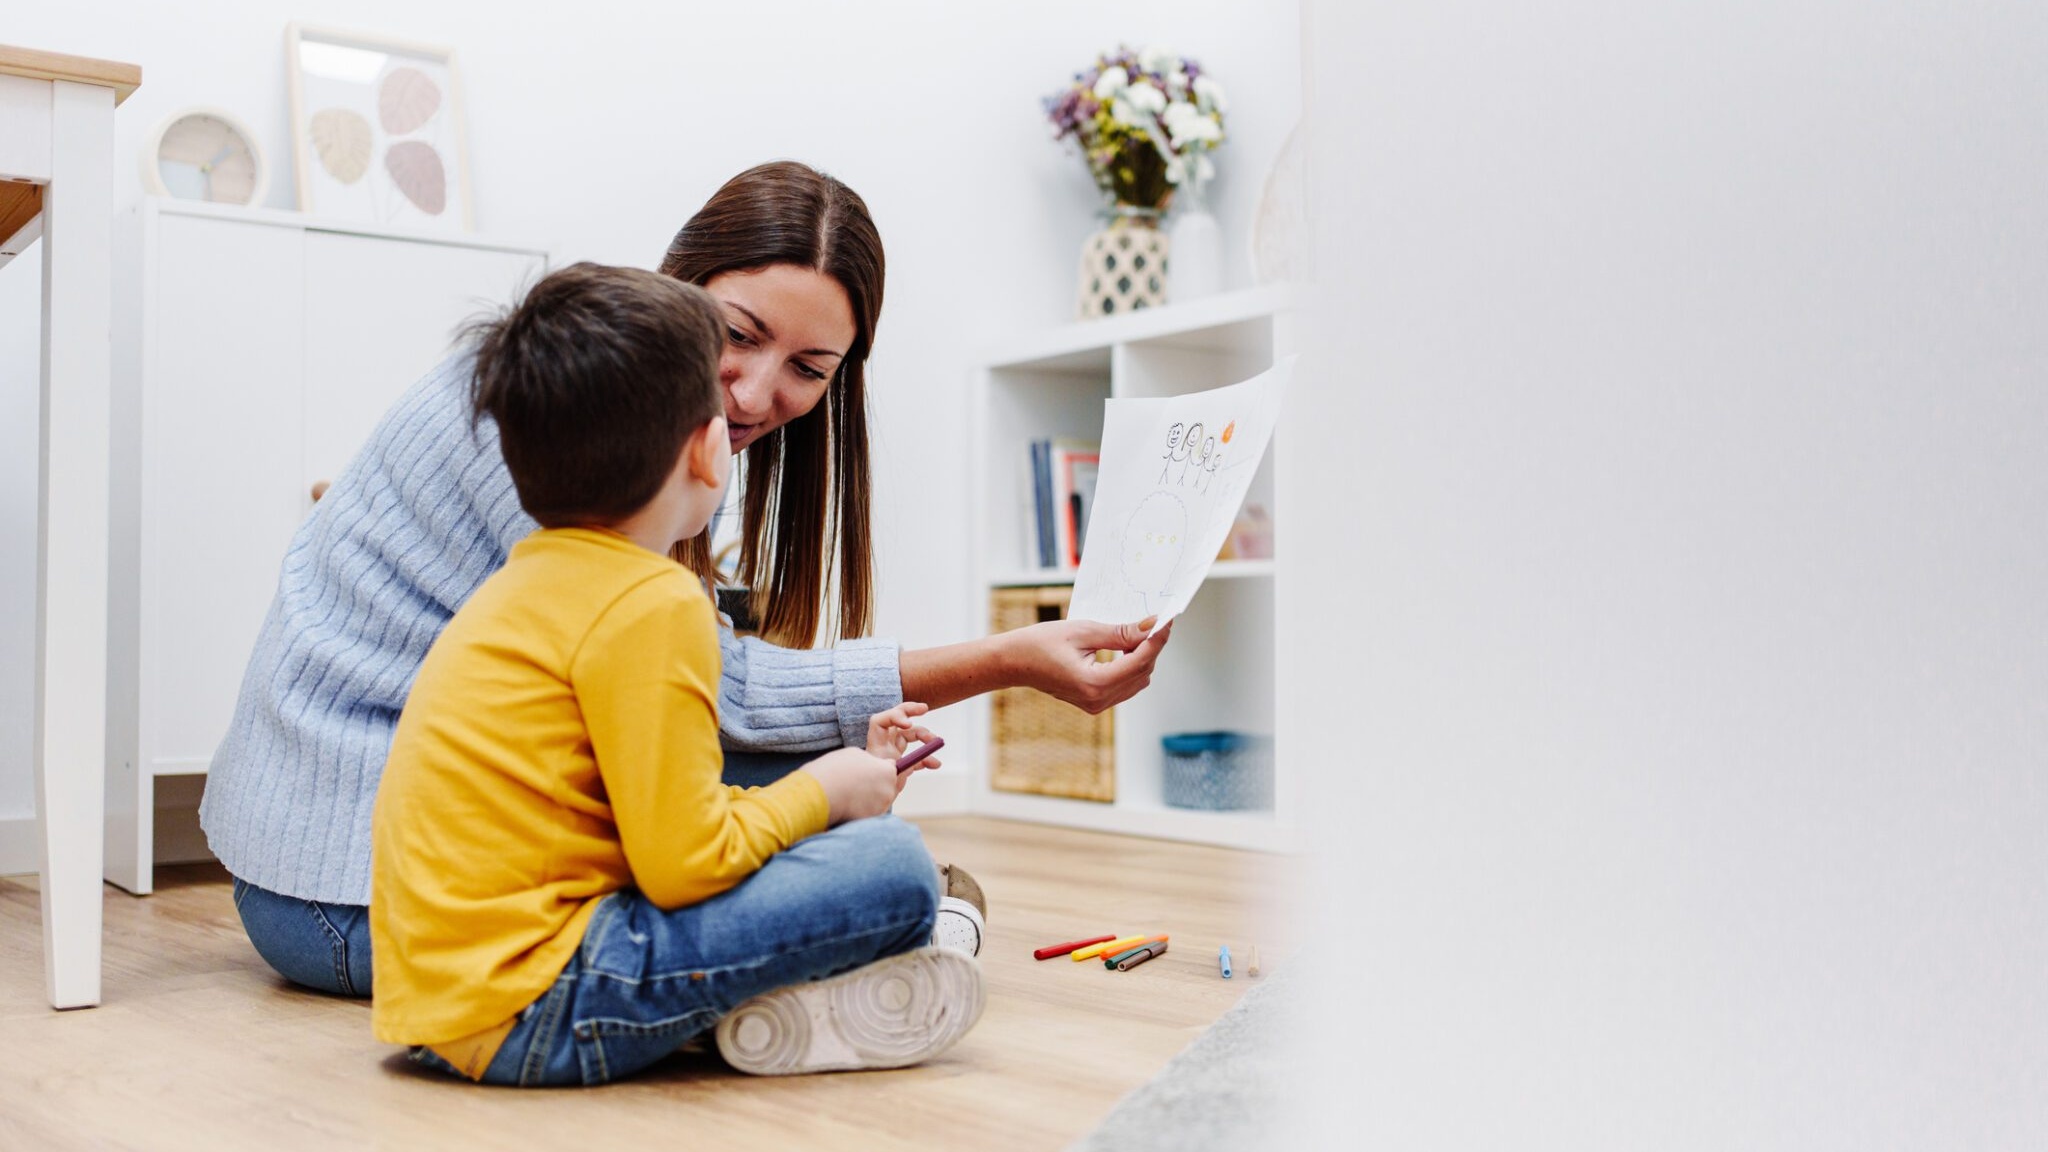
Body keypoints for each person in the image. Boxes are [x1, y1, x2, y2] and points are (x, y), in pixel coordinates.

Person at [201, 160, 1172, 997]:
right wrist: (1002, 661)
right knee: (883, 863)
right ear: (682, 281)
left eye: (807, 368)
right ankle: (848, 933)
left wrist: (835, 773)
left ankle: (839, 917)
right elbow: (724, 698)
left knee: (820, 789)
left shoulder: (632, 416)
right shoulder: (560, 418)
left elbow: (699, 696)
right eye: (738, 333)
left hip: (419, 853)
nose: (755, 393)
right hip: (350, 890)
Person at [373, 261, 981, 1085]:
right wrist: (824, 793)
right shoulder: (653, 601)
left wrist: (822, 791)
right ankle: (808, 988)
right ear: (705, 448)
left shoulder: (521, 585)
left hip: (446, 1013)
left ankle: (769, 1006)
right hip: (541, 1008)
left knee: (832, 835)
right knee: (896, 871)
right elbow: (685, 864)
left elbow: (660, 814)